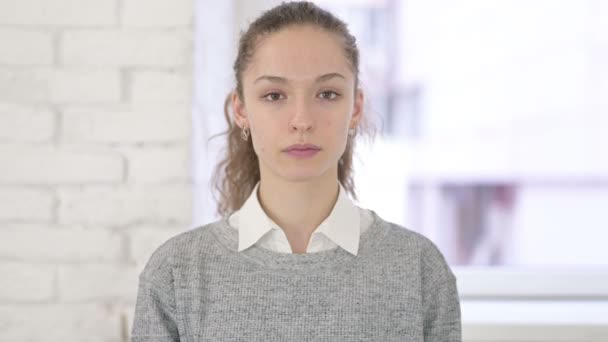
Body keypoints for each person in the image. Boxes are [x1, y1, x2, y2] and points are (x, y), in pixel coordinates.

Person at [131, 2, 461, 341]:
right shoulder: (176, 272)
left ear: (355, 107)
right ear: (241, 110)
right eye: (274, 95)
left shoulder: (418, 268)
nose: (302, 120)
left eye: (327, 94)